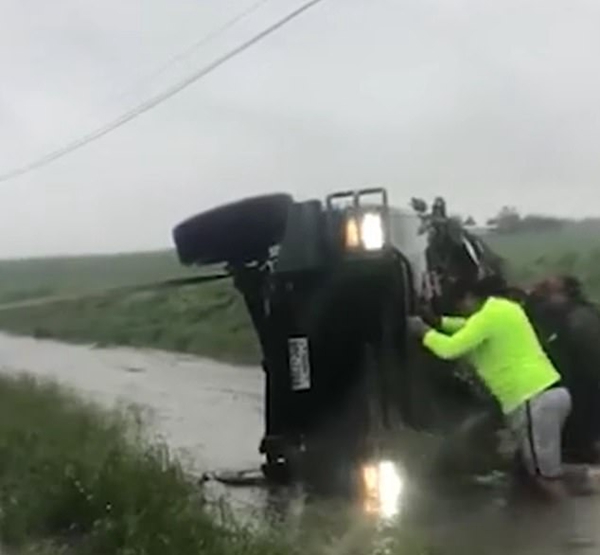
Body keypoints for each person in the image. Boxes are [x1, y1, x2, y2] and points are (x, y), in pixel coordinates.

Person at [408, 275, 571, 500]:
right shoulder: (506, 309)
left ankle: (568, 529)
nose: (462, 310)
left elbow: (449, 349)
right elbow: (468, 327)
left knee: (544, 477)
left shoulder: (487, 318)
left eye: (462, 304)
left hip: (532, 400)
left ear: (470, 298)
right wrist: (438, 323)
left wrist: (423, 332)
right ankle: (584, 490)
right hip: (552, 392)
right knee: (537, 471)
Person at [536, 275, 600, 464]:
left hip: (581, 385)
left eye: (551, 292)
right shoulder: (586, 313)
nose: (547, 297)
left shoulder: (575, 319)